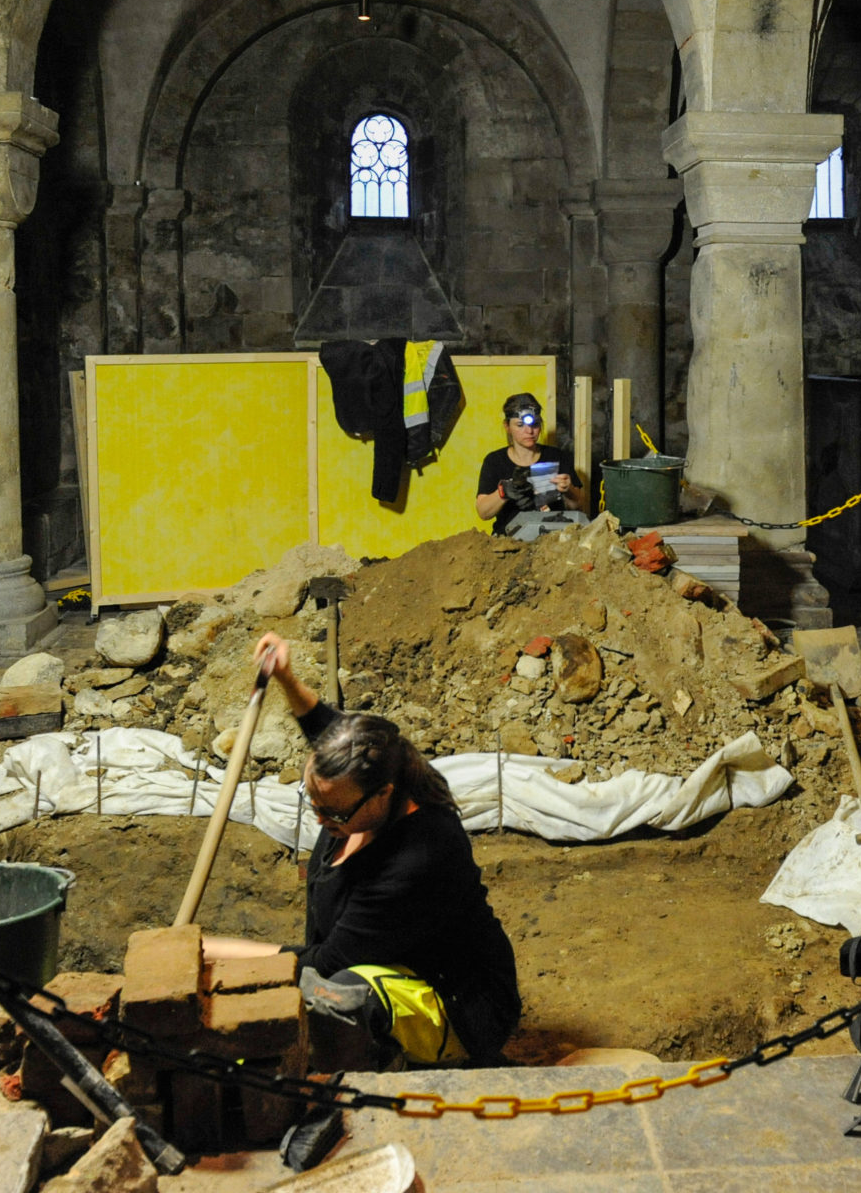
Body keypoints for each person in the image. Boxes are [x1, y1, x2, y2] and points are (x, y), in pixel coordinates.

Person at [200, 634, 521, 1070]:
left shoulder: (418, 859)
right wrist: (287, 679)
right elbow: (330, 732)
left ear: (382, 794)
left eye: (333, 812)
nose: (319, 821)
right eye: (312, 803)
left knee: (341, 992)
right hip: (395, 964)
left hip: (459, 1006)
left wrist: (214, 951)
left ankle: (398, 1068)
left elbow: (328, 961)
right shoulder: (380, 767)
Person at [475, 392, 583, 536]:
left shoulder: (557, 456)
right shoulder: (495, 461)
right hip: (508, 537)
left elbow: (577, 506)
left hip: (552, 536)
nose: (529, 431)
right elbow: (483, 512)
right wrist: (504, 492)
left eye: (535, 425)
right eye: (520, 425)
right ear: (507, 426)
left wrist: (568, 489)